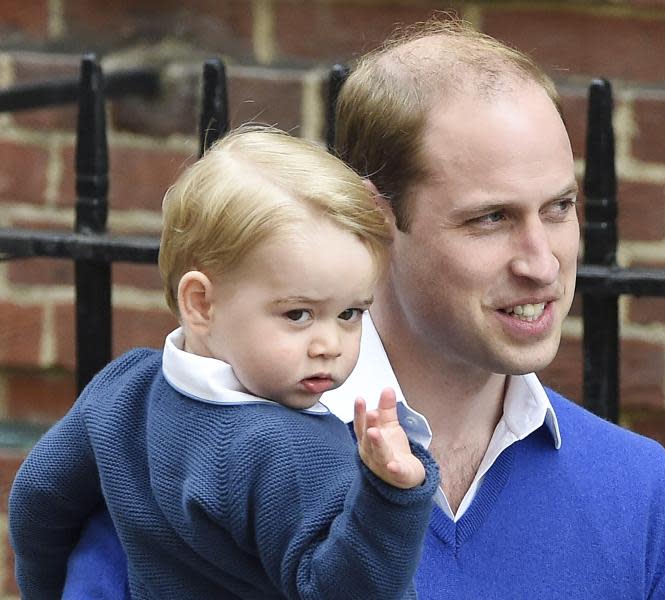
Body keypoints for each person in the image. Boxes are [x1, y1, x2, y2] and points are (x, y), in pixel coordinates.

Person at [56, 17, 665, 599]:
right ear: (377, 219)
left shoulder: (639, 491)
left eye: (559, 208)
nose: (542, 262)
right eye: (491, 218)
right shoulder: (182, 451)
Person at [9, 126, 440, 599]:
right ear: (200, 304)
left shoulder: (123, 389)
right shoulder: (294, 449)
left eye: (349, 314)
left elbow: (38, 499)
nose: (330, 344)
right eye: (298, 314)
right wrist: (391, 498)